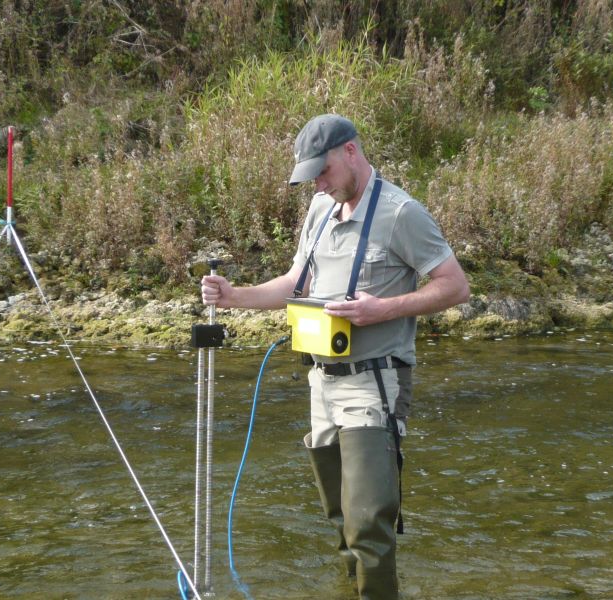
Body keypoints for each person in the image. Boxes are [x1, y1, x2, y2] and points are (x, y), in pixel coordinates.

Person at [201, 114, 469, 600]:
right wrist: (234, 295)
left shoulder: (401, 213)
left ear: (350, 152)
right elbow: (293, 284)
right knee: (341, 518)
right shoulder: (319, 211)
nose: (319, 185)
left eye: (322, 172)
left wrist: (380, 310)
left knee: (368, 522)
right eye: (312, 178)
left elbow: (455, 286)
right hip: (321, 385)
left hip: (375, 384)